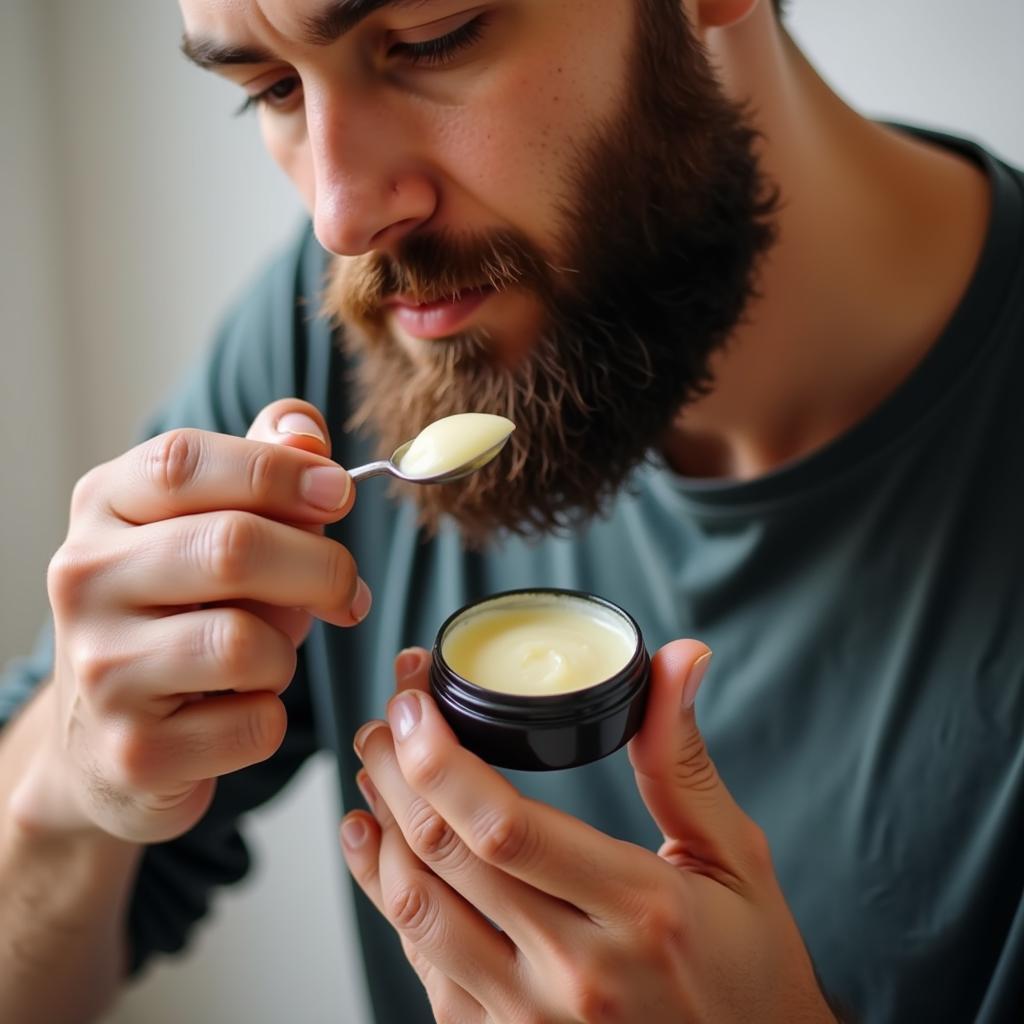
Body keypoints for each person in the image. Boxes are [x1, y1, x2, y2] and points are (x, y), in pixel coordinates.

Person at [1, 0, 1021, 1020]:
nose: (343, 217)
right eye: (271, 89)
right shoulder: (358, 341)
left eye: (432, 37)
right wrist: (66, 787)